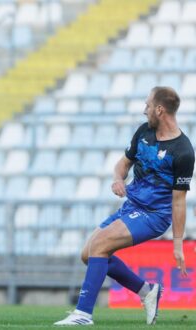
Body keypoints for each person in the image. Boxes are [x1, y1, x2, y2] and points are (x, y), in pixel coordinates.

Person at [54, 86, 195, 326]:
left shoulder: (183, 152)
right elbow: (123, 163)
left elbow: (179, 201)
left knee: (99, 245)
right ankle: (146, 291)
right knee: (88, 254)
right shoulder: (144, 132)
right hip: (131, 207)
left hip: (154, 215)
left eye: (148, 106)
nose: (144, 111)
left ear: (159, 110)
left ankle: (83, 314)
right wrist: (118, 179)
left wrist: (178, 243)